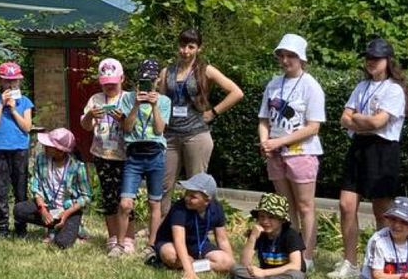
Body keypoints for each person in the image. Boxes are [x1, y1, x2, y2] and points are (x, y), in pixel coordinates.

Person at [333, 39, 408, 279]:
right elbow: (344, 119)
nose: (371, 62)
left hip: (383, 151)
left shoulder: (394, 90)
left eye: (376, 58)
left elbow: (380, 123)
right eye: (368, 58)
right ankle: (350, 262)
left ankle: (382, 261)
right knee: (346, 205)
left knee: (382, 211)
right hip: (359, 148)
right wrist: (364, 122)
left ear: (388, 61)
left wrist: (359, 120)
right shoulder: (361, 87)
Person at [257, 34, 327, 259]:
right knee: (286, 207)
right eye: (282, 56)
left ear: (301, 59)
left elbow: (313, 126)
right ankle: (292, 250)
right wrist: (265, 142)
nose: (285, 60)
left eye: (291, 56)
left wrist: (279, 142)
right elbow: (264, 119)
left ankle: (307, 256)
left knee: (305, 206)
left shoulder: (311, 86)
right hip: (276, 154)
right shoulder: (273, 84)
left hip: (302, 153)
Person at [159, 29, 244, 216]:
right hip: (171, 135)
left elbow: (236, 92)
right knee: (163, 186)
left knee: (196, 187)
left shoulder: (205, 70)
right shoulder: (168, 71)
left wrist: (213, 112)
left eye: (191, 47)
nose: (186, 51)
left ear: (199, 48)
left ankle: (195, 227)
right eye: (183, 46)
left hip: (196, 135)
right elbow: (161, 101)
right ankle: (160, 229)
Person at [119, 58, 171, 251]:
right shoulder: (128, 98)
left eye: (150, 80)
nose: (146, 84)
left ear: (157, 81)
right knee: (125, 203)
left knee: (154, 202)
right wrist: (136, 106)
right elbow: (127, 128)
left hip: (155, 153)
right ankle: (121, 243)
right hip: (134, 154)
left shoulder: (165, 101)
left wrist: (155, 106)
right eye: (143, 81)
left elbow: (159, 130)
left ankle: (152, 245)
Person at [82, 58, 131, 256]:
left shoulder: (129, 98)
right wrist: (90, 116)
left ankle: (128, 238)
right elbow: (85, 126)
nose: (109, 87)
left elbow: (136, 126)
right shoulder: (95, 99)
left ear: (122, 79)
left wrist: (123, 119)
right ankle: (112, 237)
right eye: (106, 84)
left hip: (126, 156)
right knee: (109, 197)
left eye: (113, 83)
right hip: (102, 154)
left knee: (126, 199)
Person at [17, 128, 92, 250]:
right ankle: (52, 226)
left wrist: (66, 214)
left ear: (60, 151)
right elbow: (36, 186)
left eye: (49, 145)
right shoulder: (41, 160)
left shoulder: (78, 167)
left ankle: (73, 228)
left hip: (69, 210)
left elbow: (86, 196)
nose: (45, 146)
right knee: (19, 210)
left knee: (63, 243)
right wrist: (43, 209)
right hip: (48, 206)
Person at [0, 62, 35, 237]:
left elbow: (27, 127)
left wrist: (13, 109)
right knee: (1, 190)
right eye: (7, 81)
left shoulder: (26, 102)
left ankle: (21, 227)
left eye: (14, 81)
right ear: (0, 81)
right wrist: (1, 105)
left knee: (20, 189)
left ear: (19, 82)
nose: (11, 85)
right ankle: (3, 226)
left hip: (20, 149)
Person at [155, 172, 235, 279]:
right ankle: (186, 265)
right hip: (171, 242)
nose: (187, 198)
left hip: (198, 244)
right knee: (170, 255)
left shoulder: (217, 208)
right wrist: (189, 272)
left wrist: (232, 267)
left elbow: (222, 240)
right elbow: (179, 241)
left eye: (193, 197)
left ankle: (189, 264)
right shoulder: (179, 209)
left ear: (207, 200)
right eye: (187, 193)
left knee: (225, 261)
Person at [227, 193, 309, 279]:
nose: (265, 221)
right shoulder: (259, 234)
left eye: (271, 217)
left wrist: (264, 273)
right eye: (262, 216)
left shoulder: (290, 235)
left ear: (282, 220)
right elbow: (244, 264)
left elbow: (295, 266)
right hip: (267, 278)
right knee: (236, 270)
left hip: (286, 276)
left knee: (298, 277)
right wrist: (252, 238)